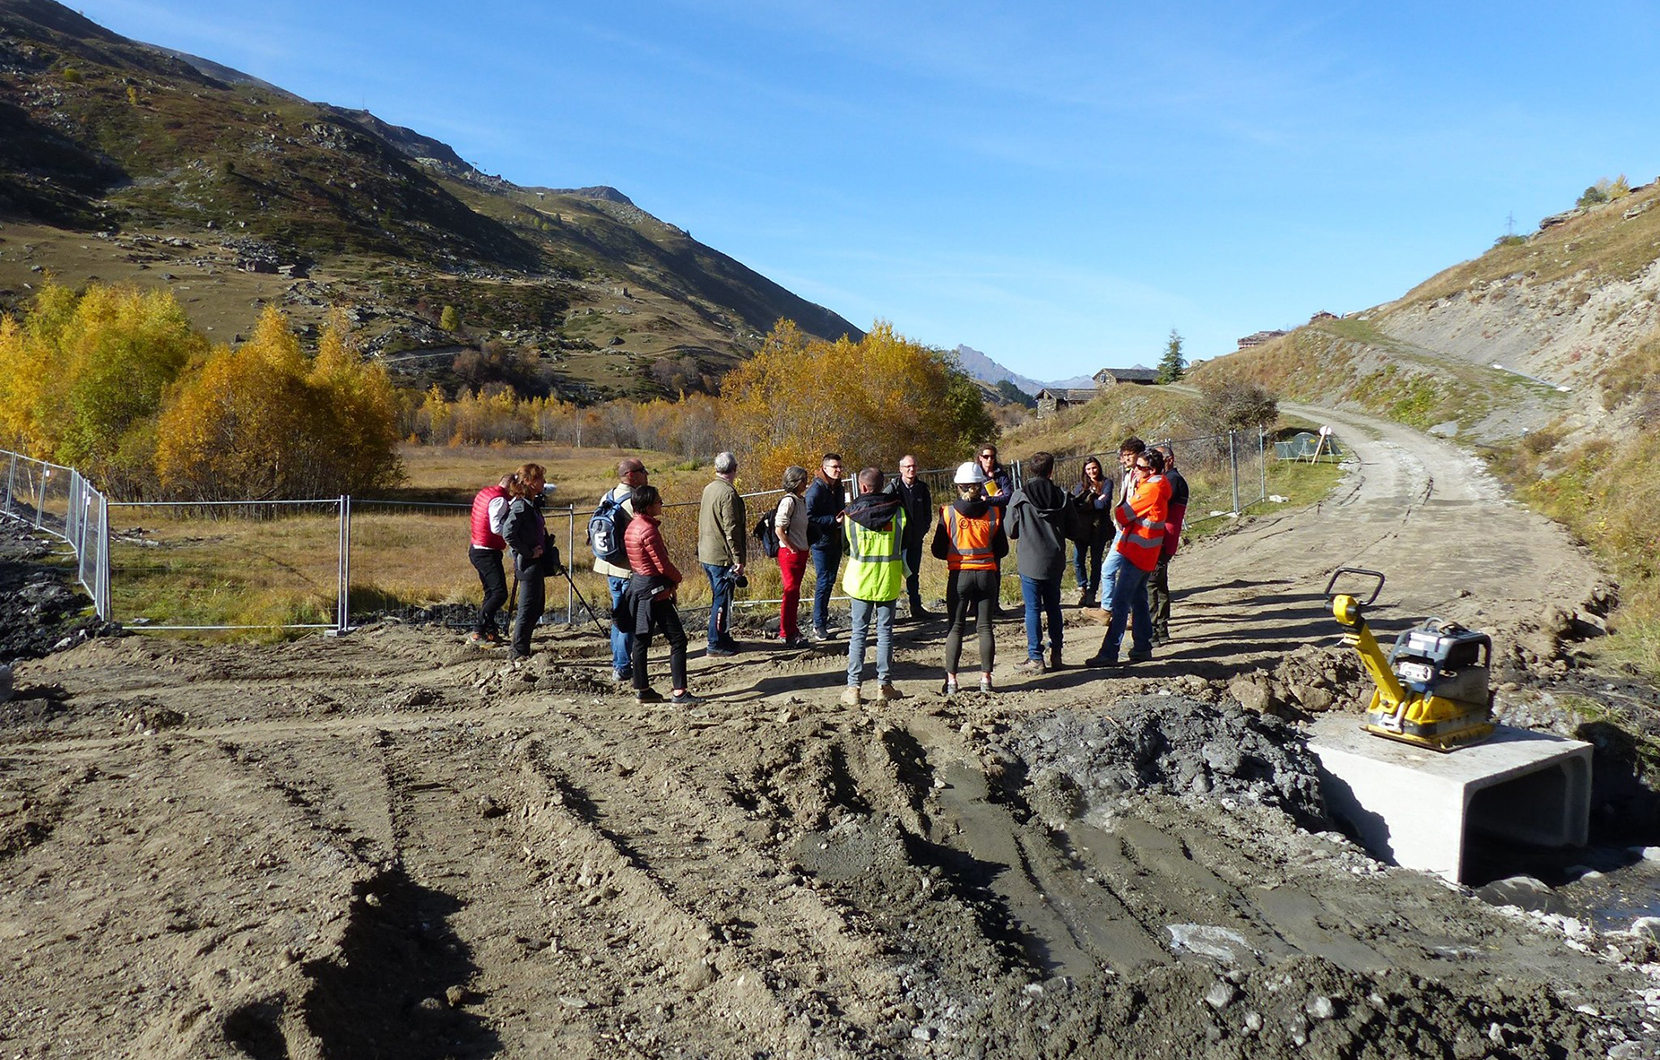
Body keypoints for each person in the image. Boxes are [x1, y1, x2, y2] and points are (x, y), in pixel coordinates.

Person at [1086, 449, 1170, 667]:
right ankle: (1142, 646)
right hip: (1144, 554)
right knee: (1139, 600)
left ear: (1151, 470)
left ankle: (1109, 652)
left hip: (1138, 553)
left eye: (1139, 467)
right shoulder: (1156, 486)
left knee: (1121, 603)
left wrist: (1125, 505)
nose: (1135, 471)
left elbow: (1122, 514)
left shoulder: (1151, 489)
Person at [932, 461, 1007, 694]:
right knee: (985, 627)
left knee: (955, 628)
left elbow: (937, 550)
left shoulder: (947, 513)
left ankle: (952, 682)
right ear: (979, 486)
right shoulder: (994, 513)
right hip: (987, 576)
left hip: (959, 576)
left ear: (958, 486)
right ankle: (986, 680)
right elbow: (1002, 549)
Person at [621, 485, 699, 705]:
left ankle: (643, 689)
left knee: (640, 640)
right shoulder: (648, 530)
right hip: (656, 592)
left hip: (639, 588)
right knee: (678, 640)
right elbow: (662, 565)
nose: (661, 502)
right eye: (658, 500)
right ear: (647, 505)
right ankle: (679, 692)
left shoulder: (632, 527)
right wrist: (677, 579)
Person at [841, 467, 907, 705]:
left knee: (858, 634)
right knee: (885, 633)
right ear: (882, 485)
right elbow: (905, 542)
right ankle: (884, 686)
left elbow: (846, 548)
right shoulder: (899, 511)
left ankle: (853, 689)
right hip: (888, 579)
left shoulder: (849, 515)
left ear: (863, 487)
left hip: (860, 581)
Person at [1008, 451, 1074, 674]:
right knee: (1054, 607)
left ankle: (1036, 658)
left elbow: (1011, 530)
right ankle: (1057, 654)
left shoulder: (1020, 496)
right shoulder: (1062, 496)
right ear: (1051, 470)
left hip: (1029, 560)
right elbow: (1073, 527)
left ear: (1030, 470)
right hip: (1054, 559)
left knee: (1033, 610)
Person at [501, 463, 563, 662]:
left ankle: (522, 648)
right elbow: (508, 533)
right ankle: (518, 651)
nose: (544, 482)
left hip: (535, 564)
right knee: (527, 608)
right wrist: (528, 552)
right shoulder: (520, 505)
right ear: (528, 481)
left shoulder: (530, 504)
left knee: (536, 607)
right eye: (539, 478)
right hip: (527, 565)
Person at [594, 457, 647, 681]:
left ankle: (618, 662)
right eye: (643, 471)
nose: (647, 475)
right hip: (626, 568)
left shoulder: (607, 496)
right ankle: (623, 667)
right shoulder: (633, 500)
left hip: (607, 565)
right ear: (631, 475)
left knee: (618, 615)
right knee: (628, 619)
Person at [697, 451, 747, 656]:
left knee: (721, 598)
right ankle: (715, 643)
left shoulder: (709, 488)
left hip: (707, 552)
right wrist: (738, 559)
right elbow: (731, 529)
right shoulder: (728, 493)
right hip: (721, 556)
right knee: (721, 600)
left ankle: (723, 637)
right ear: (734, 469)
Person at [1099, 436, 1147, 619]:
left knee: (1112, 570)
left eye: (1129, 455)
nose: (1125, 459)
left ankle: (1111, 610)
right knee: (1116, 572)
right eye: (1123, 455)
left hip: (1131, 530)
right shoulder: (1129, 474)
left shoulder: (1142, 477)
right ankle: (1116, 610)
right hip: (1123, 528)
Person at [467, 471, 515, 646]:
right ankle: (478, 630)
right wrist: (513, 533)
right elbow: (496, 527)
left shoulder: (487, 492)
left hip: (478, 547)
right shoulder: (500, 500)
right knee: (499, 593)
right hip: (486, 551)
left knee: (491, 592)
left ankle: (490, 631)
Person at [1148, 443, 1190, 645]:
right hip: (1166, 539)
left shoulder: (1171, 481)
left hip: (1162, 539)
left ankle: (1153, 631)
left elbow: (1157, 507)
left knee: (1151, 585)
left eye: (1158, 458)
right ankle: (1161, 629)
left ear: (1169, 460)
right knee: (1160, 584)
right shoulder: (1172, 480)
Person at [803, 453, 847, 642]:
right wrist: (832, 520)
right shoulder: (816, 490)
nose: (838, 470)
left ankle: (822, 621)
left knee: (829, 581)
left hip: (835, 540)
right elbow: (809, 516)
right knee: (823, 582)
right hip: (821, 542)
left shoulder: (837, 487)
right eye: (834, 467)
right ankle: (818, 624)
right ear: (825, 468)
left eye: (840, 467)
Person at [893, 454, 935, 620]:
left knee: (913, 574)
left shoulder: (922, 488)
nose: (911, 469)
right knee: (894, 574)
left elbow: (927, 513)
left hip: (915, 540)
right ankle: (890, 611)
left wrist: (922, 530)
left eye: (914, 466)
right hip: (897, 541)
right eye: (908, 467)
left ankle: (916, 607)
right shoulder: (894, 489)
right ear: (900, 469)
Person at [774, 466, 812, 647]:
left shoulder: (801, 500)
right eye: (803, 480)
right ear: (796, 482)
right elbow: (779, 528)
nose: (806, 483)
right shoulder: (789, 501)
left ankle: (791, 629)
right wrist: (792, 548)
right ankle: (786, 632)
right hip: (790, 554)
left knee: (794, 594)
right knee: (790, 593)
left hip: (800, 551)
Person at [975, 443, 1013, 617]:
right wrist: (991, 498)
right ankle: (975, 605)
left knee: (996, 567)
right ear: (980, 457)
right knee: (977, 567)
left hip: (997, 525)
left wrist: (987, 499)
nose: (989, 460)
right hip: (978, 527)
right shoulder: (975, 475)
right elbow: (973, 499)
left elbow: (1007, 497)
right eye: (986, 456)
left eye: (992, 456)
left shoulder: (1002, 475)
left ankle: (995, 603)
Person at [1070, 457, 1113, 608]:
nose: (1092, 471)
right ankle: (1082, 587)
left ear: (1099, 468)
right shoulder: (1080, 486)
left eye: (1094, 468)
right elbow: (1075, 504)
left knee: (1096, 562)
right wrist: (1094, 500)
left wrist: (1088, 501)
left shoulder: (1107, 483)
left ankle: (1092, 593)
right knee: (1077, 560)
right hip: (1082, 530)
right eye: (1088, 469)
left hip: (1099, 529)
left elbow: (1104, 505)